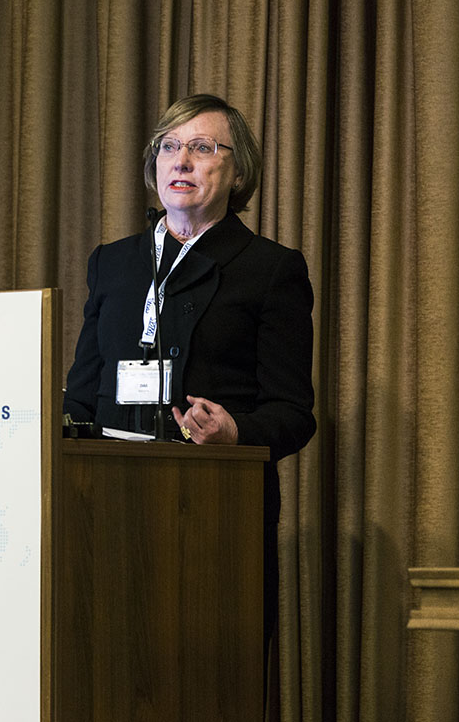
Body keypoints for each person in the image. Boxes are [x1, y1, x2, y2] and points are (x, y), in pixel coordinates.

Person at [62, 92, 316, 669]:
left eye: (202, 147)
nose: (181, 161)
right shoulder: (113, 262)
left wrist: (236, 433)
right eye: (169, 147)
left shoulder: (270, 269)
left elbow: (293, 414)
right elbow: (82, 393)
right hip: (104, 509)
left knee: (208, 675)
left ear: (238, 171)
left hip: (213, 517)